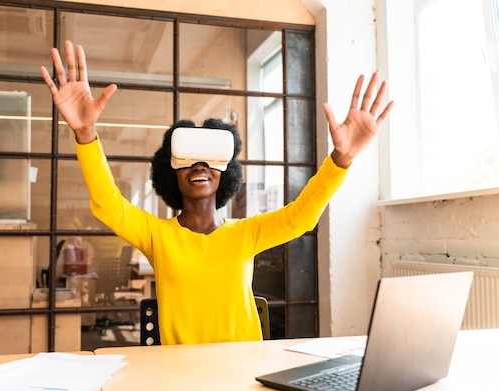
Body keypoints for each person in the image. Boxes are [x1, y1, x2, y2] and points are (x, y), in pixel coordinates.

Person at [41, 40, 394, 345]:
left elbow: (301, 216)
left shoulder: (246, 233)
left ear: (225, 172)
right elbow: (109, 205)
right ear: (171, 171)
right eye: (188, 159)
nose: (199, 166)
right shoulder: (158, 236)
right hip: (180, 374)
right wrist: (86, 133)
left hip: (243, 372)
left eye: (210, 159)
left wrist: (341, 158)